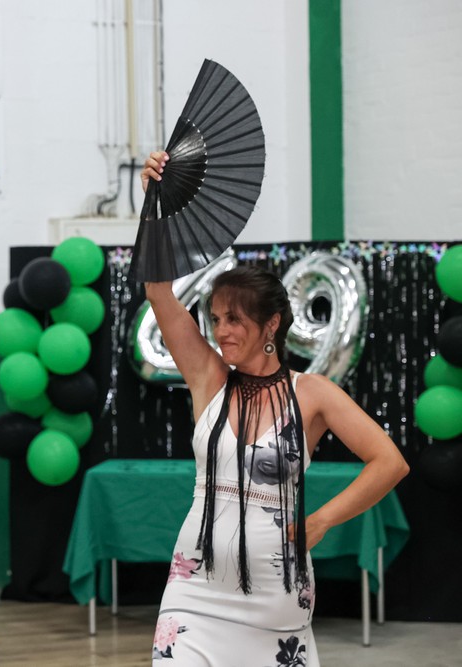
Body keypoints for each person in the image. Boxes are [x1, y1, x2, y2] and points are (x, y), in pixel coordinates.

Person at [140, 151, 410, 666]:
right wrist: (156, 200)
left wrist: (323, 519)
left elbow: (390, 462)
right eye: (217, 319)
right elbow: (157, 290)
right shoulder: (208, 377)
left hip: (275, 593)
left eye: (235, 320)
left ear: (271, 325)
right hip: (194, 586)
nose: (222, 331)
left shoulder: (312, 393)